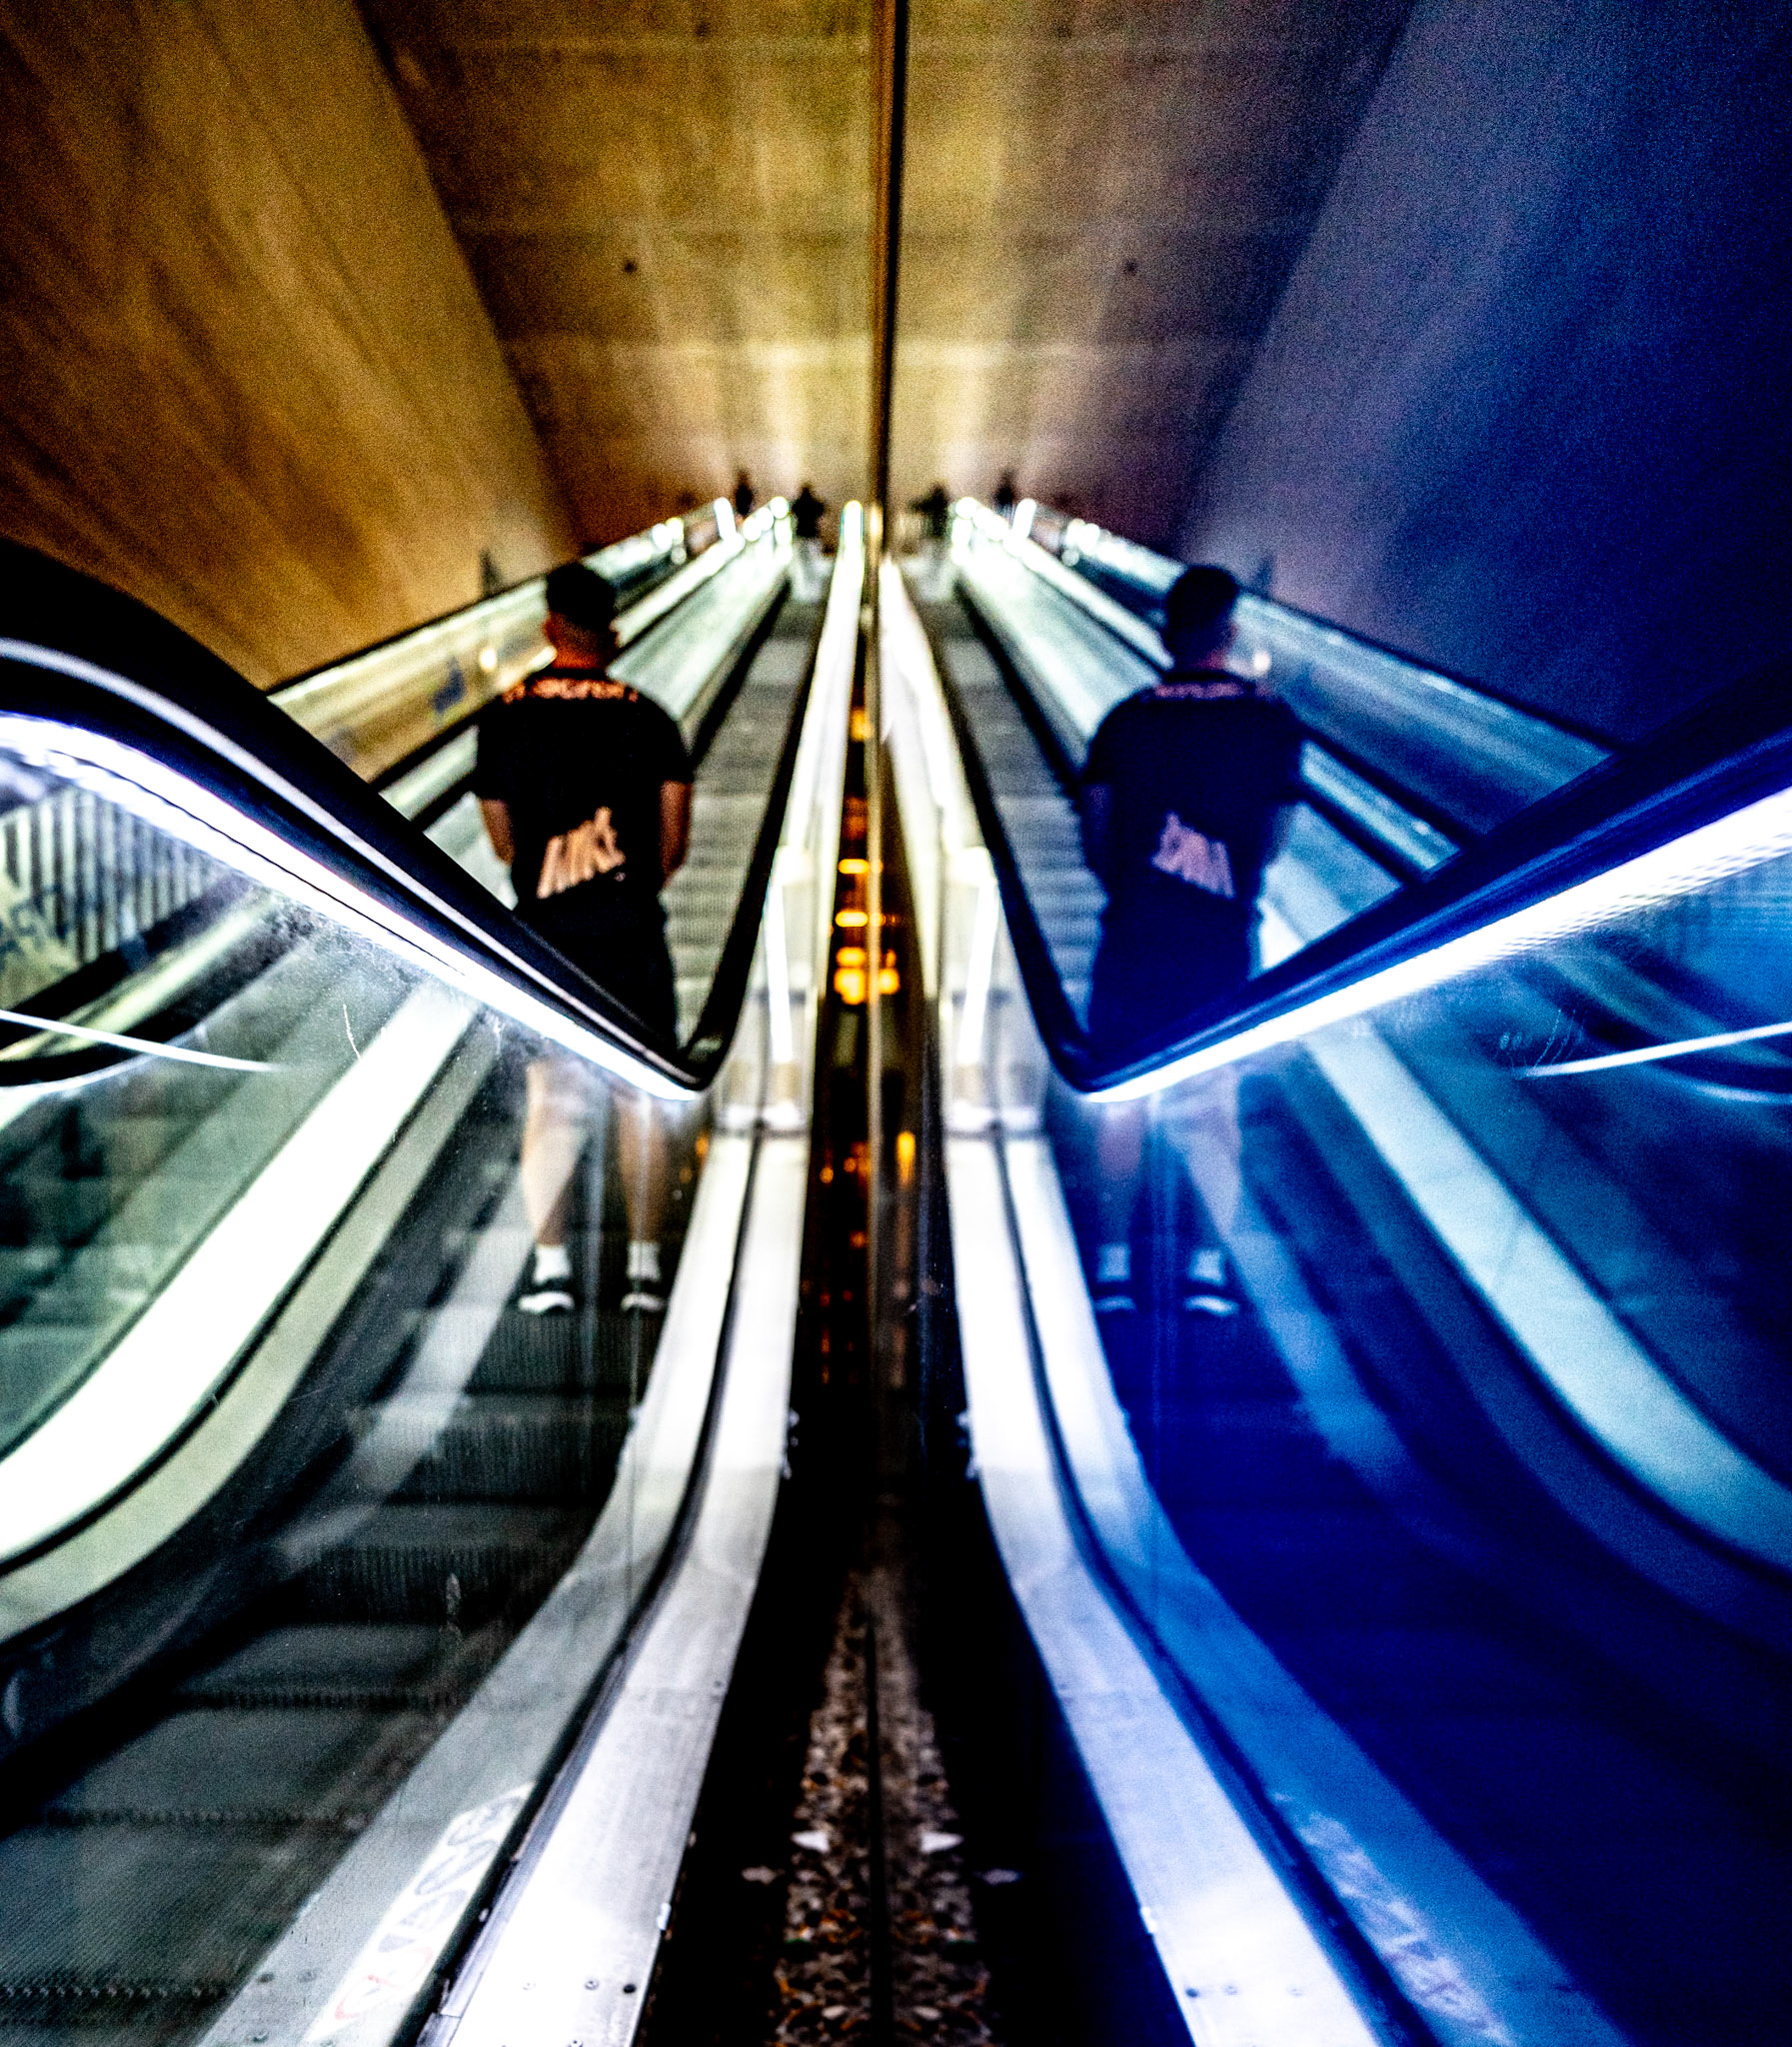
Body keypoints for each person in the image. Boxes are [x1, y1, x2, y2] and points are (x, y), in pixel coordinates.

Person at [1079, 565, 1301, 1316]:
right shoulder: (1270, 723)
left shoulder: (1123, 722)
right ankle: (1205, 1271)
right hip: (1219, 948)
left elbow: (1097, 836)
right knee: (1215, 1106)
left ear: (1165, 633)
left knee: (1120, 1103)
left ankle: (1112, 1271)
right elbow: (1271, 844)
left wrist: (1139, 890)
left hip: (1134, 944)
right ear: (1228, 633)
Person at [475, 563, 693, 1316]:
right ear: (615, 635)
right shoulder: (652, 719)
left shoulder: (505, 717)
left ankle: (550, 1272)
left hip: (545, 942)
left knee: (552, 1099)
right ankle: (641, 1272)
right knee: (641, 1099)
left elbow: (502, 843)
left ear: (547, 628)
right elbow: (672, 845)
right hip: (631, 938)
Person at [791, 482, 828, 597]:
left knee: (803, 562)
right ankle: (814, 588)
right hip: (813, 534)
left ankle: (803, 587)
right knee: (813, 560)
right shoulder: (814, 502)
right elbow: (822, 509)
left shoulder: (798, 502)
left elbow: (792, 510)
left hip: (801, 535)